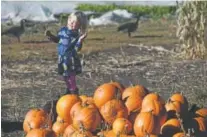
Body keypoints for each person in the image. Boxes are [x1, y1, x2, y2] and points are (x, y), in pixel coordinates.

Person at [45, 11, 88, 95]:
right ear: (68, 19)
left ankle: (74, 91)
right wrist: (51, 36)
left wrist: (80, 40)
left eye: (75, 22)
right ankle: (69, 90)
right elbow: (58, 39)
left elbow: (77, 49)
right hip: (62, 58)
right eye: (70, 20)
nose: (71, 23)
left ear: (79, 25)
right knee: (65, 76)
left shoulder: (76, 35)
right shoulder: (62, 31)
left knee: (71, 76)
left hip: (70, 59)